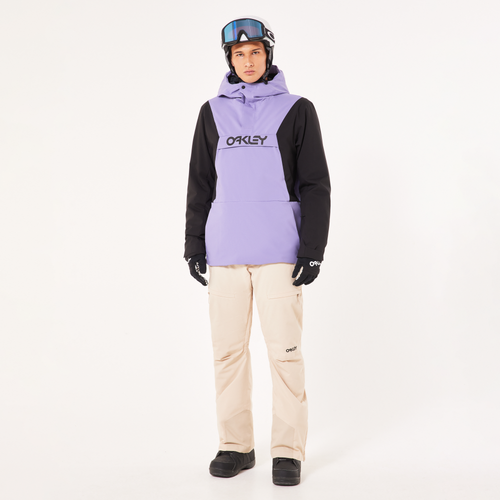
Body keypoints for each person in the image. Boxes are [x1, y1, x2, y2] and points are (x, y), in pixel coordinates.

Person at [184, 16, 330, 486]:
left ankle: (287, 451)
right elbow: (200, 183)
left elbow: (315, 184)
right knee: (227, 354)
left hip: (279, 254)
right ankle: (236, 445)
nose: (247, 61)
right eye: (238, 54)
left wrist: (312, 249)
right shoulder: (211, 112)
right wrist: (193, 243)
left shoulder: (297, 110)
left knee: (284, 355)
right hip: (224, 252)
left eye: (255, 53)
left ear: (268, 55)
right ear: (229, 60)